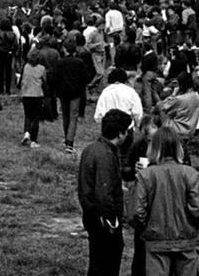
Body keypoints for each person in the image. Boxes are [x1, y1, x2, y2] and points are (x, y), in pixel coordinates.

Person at [130, 125, 199, 276]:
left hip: (155, 243)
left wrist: (146, 229)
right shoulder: (190, 174)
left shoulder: (145, 176)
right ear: (178, 147)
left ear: (153, 147)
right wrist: (193, 228)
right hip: (186, 242)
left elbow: (136, 213)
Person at [77, 109, 133, 276]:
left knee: (97, 262)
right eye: (127, 131)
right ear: (120, 133)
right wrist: (112, 222)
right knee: (107, 264)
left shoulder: (90, 149)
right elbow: (103, 193)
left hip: (90, 214)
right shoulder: (106, 155)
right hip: (103, 219)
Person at [49, 37, 95, 153]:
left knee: (65, 116)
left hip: (63, 92)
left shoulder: (60, 63)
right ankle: (70, 142)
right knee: (73, 117)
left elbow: (54, 77)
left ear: (65, 49)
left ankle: (66, 139)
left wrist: (58, 88)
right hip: (76, 92)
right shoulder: (79, 62)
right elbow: (86, 76)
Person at [159, 73, 199, 138]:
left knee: (159, 105)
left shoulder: (179, 99)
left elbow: (163, 105)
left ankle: (163, 132)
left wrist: (174, 93)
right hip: (190, 130)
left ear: (181, 85)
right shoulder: (197, 96)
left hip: (177, 131)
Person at [18, 49, 46, 148]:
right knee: (36, 118)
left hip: (26, 94)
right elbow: (45, 82)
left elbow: (21, 80)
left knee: (28, 115)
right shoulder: (41, 68)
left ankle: (26, 133)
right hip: (37, 95)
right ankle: (34, 140)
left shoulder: (26, 67)